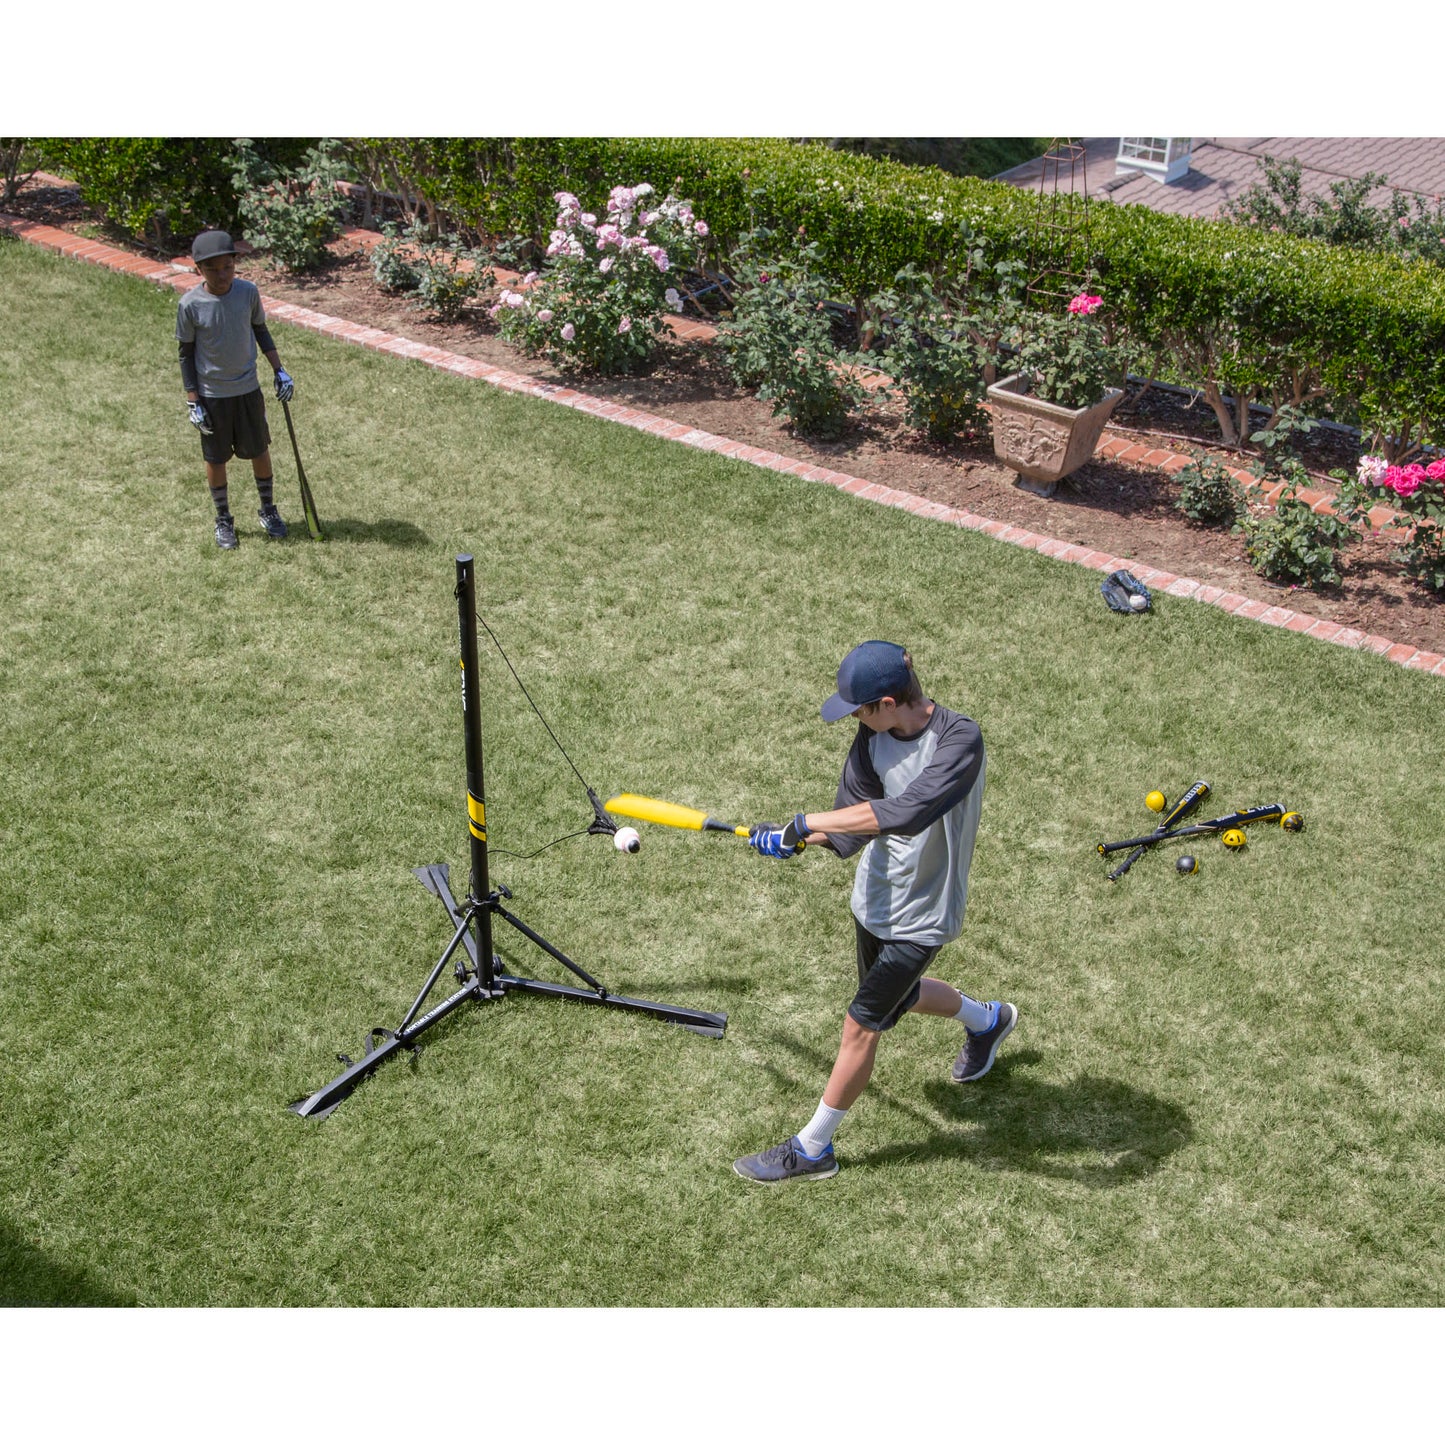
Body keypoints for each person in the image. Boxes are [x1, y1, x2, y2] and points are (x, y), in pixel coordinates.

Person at [733, 640, 1016, 1184]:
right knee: (899, 999)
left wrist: (803, 819)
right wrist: (796, 840)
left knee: (861, 1024)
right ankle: (990, 1021)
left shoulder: (960, 740)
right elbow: (852, 817)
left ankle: (814, 1149)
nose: (857, 721)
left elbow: (906, 813)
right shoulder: (873, 735)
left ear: (889, 702)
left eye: (862, 709)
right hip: (876, 899)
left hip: (925, 912)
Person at [176, 229, 294, 550]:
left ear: (234, 264)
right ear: (199, 269)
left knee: (259, 450)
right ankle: (223, 519)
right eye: (212, 269)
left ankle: (268, 509)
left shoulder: (248, 293)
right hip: (212, 397)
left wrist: (279, 371)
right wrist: (192, 401)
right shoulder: (190, 305)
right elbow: (186, 354)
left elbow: (261, 331)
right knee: (215, 459)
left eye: (227, 267)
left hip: (247, 390)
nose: (222, 275)